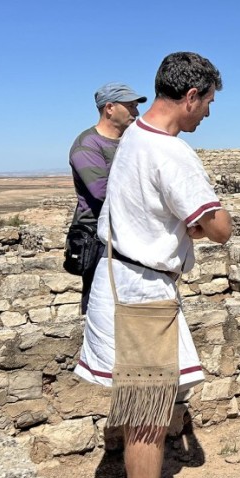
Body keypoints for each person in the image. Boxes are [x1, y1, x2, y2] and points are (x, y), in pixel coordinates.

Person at [74, 51, 231, 478]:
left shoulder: (135, 135)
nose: (207, 113)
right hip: (141, 292)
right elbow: (219, 228)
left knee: (141, 399)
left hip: (123, 278)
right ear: (190, 97)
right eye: (206, 102)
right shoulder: (172, 153)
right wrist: (208, 220)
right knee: (148, 407)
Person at [69, 82, 147, 313]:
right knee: (99, 304)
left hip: (129, 233)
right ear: (110, 108)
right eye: (130, 106)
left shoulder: (132, 141)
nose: (136, 112)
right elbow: (102, 192)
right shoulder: (87, 145)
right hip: (98, 238)